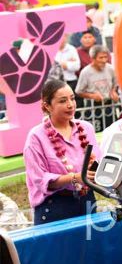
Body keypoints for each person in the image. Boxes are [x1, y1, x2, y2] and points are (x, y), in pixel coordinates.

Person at [24, 80, 100, 225]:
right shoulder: (36, 137)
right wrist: (75, 178)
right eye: (63, 101)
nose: (70, 105)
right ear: (47, 105)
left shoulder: (86, 128)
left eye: (72, 98)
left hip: (87, 200)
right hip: (55, 207)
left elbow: (97, 160)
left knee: (90, 246)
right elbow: (40, 180)